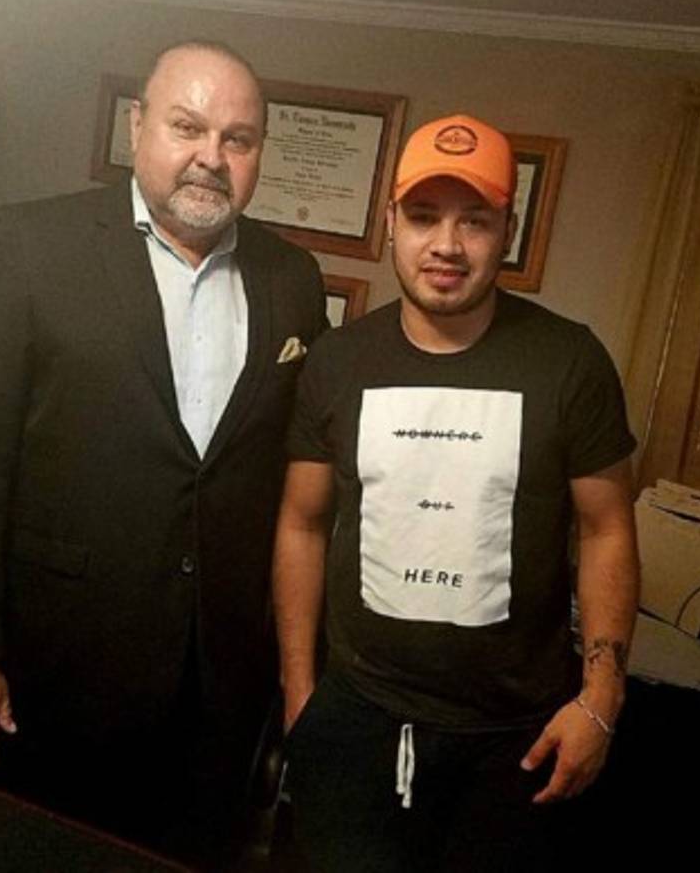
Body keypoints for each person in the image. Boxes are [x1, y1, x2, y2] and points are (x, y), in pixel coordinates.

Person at [0, 40, 326, 863]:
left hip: (218, 689)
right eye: (187, 127)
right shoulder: (30, 243)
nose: (211, 156)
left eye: (237, 139)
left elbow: (282, 479)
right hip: (51, 673)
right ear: (138, 127)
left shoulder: (290, 277)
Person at [272, 114, 639, 872]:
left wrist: (602, 700)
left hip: (515, 738)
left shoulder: (569, 361)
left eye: (474, 220)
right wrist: (300, 692)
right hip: (355, 720)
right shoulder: (337, 361)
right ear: (390, 223)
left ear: (508, 231)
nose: (446, 244)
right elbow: (302, 524)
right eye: (423, 216)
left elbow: (607, 529)